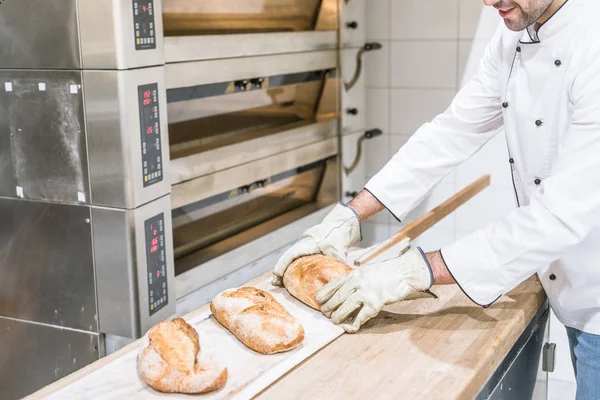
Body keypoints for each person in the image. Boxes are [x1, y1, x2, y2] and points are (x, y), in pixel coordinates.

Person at [272, 0, 600, 398]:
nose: (490, 0)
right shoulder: (511, 36)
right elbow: (451, 131)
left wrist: (415, 271)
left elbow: (560, 216)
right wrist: (350, 216)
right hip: (570, 278)